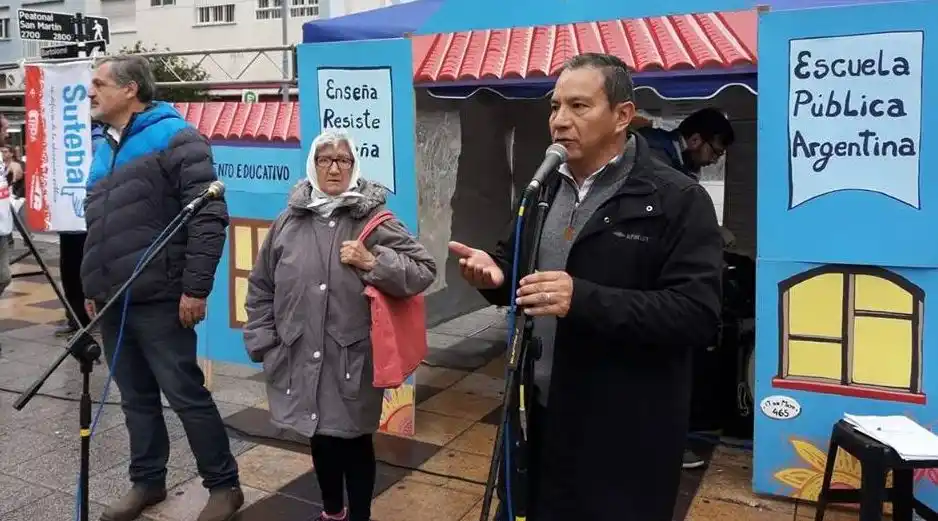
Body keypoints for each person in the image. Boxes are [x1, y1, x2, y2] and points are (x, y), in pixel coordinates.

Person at [448, 53, 723, 521]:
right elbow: (516, 263)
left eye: (579, 106)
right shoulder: (544, 188)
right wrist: (496, 275)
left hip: (622, 434)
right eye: (555, 107)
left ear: (622, 115)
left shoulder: (677, 199)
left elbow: (696, 314)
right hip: (538, 414)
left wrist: (584, 299)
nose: (559, 120)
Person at [81, 55, 243, 521]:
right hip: (115, 299)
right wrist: (94, 286)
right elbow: (99, 227)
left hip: (162, 297)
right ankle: (147, 480)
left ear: (130, 88)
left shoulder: (178, 137)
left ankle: (224, 486)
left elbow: (209, 217)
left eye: (99, 83)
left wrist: (196, 289)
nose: (90, 92)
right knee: (135, 397)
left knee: (185, 394)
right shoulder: (103, 145)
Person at [243, 130, 436, 521]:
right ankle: (332, 512)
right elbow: (261, 285)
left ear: (354, 166)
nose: (334, 168)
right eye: (325, 159)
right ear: (312, 165)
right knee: (320, 439)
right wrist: (265, 342)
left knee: (354, 441)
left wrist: (372, 262)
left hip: (352, 359)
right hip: (299, 354)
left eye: (343, 160)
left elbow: (423, 269)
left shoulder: (375, 220)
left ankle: (359, 516)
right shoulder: (288, 222)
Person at [54, 124, 101, 337]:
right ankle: (76, 318)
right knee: (70, 272)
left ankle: (90, 318)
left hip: (87, 220)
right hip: (68, 222)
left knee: (87, 271)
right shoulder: (61, 141)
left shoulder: (98, 141)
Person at [637, 107, 735, 180]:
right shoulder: (655, 153)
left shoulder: (684, 163)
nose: (715, 161)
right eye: (715, 152)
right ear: (695, 140)